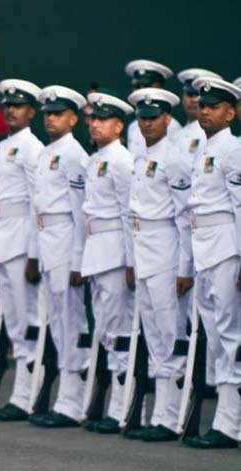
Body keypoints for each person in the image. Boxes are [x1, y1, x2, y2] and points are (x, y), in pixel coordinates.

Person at [125, 87, 193, 441]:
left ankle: (170, 416)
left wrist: (185, 267)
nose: (146, 123)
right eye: (142, 117)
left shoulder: (175, 158)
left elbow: (184, 215)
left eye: (153, 117)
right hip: (143, 244)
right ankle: (158, 414)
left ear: (168, 118)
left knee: (169, 328)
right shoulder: (140, 156)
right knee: (153, 329)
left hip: (166, 244)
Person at [28, 85, 91, 428]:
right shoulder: (47, 152)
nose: (50, 119)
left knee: (70, 319)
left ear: (72, 118)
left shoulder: (74, 155)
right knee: (56, 319)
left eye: (57, 113)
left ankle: (72, 399)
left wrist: (80, 258)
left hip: (68, 239)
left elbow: (81, 212)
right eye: (47, 113)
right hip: (47, 239)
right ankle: (65, 396)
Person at [183, 77, 241, 449]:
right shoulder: (204, 149)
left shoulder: (233, 149)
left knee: (229, 333)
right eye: (202, 105)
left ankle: (229, 423)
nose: (204, 111)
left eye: (213, 106)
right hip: (205, 246)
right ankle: (225, 419)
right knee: (215, 335)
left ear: (231, 112)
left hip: (225, 247)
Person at [0, 78, 44, 422]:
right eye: (7, 106)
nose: (11, 111)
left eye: (18, 106)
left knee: (26, 317)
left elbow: (38, 202)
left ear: (31, 111)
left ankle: (26, 393)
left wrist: (35, 252)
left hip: (22, 240)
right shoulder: (4, 146)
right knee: (15, 320)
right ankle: (20, 392)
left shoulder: (32, 147)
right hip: (4, 237)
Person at [81, 91, 135, 434]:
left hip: (115, 249)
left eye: (103, 119)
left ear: (119, 125)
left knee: (118, 328)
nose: (96, 124)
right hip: (97, 248)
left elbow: (129, 213)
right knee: (104, 326)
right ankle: (109, 404)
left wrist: (131, 260)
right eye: (94, 119)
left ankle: (120, 407)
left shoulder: (121, 160)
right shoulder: (96, 158)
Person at [123, 59, 181, 159]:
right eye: (137, 86)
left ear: (160, 88)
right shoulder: (132, 127)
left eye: (146, 86)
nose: (141, 91)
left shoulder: (172, 126)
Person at [175, 69, 221, 163]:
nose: (193, 100)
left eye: (197, 95)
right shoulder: (177, 134)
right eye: (189, 94)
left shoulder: (213, 133)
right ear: (182, 97)